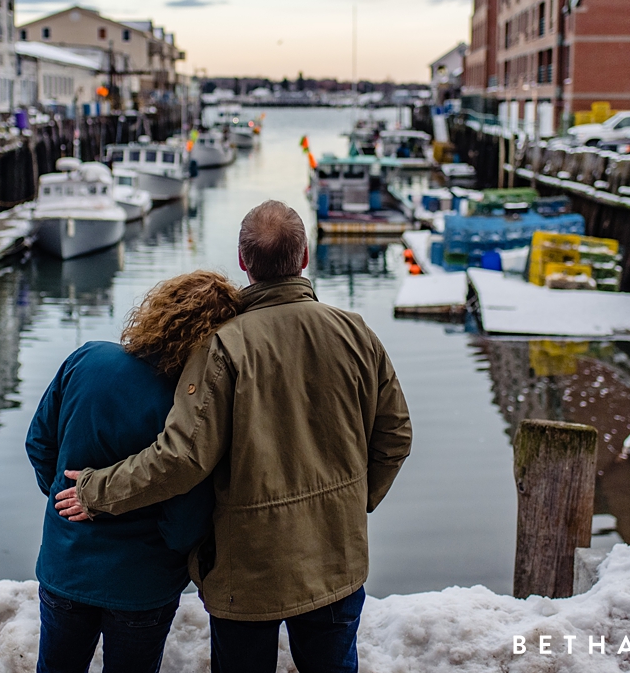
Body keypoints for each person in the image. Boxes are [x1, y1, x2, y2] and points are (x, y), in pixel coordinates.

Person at [55, 200, 412, 673]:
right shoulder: (355, 333)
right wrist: (352, 502)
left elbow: (181, 458)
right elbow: (395, 435)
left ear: (244, 262)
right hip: (336, 558)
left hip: (248, 571)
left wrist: (96, 490)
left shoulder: (223, 346)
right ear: (304, 256)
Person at [26, 270, 241, 673]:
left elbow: (39, 443)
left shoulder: (86, 358)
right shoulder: (187, 409)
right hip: (142, 583)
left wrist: (64, 503)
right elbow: (183, 520)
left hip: (66, 563)